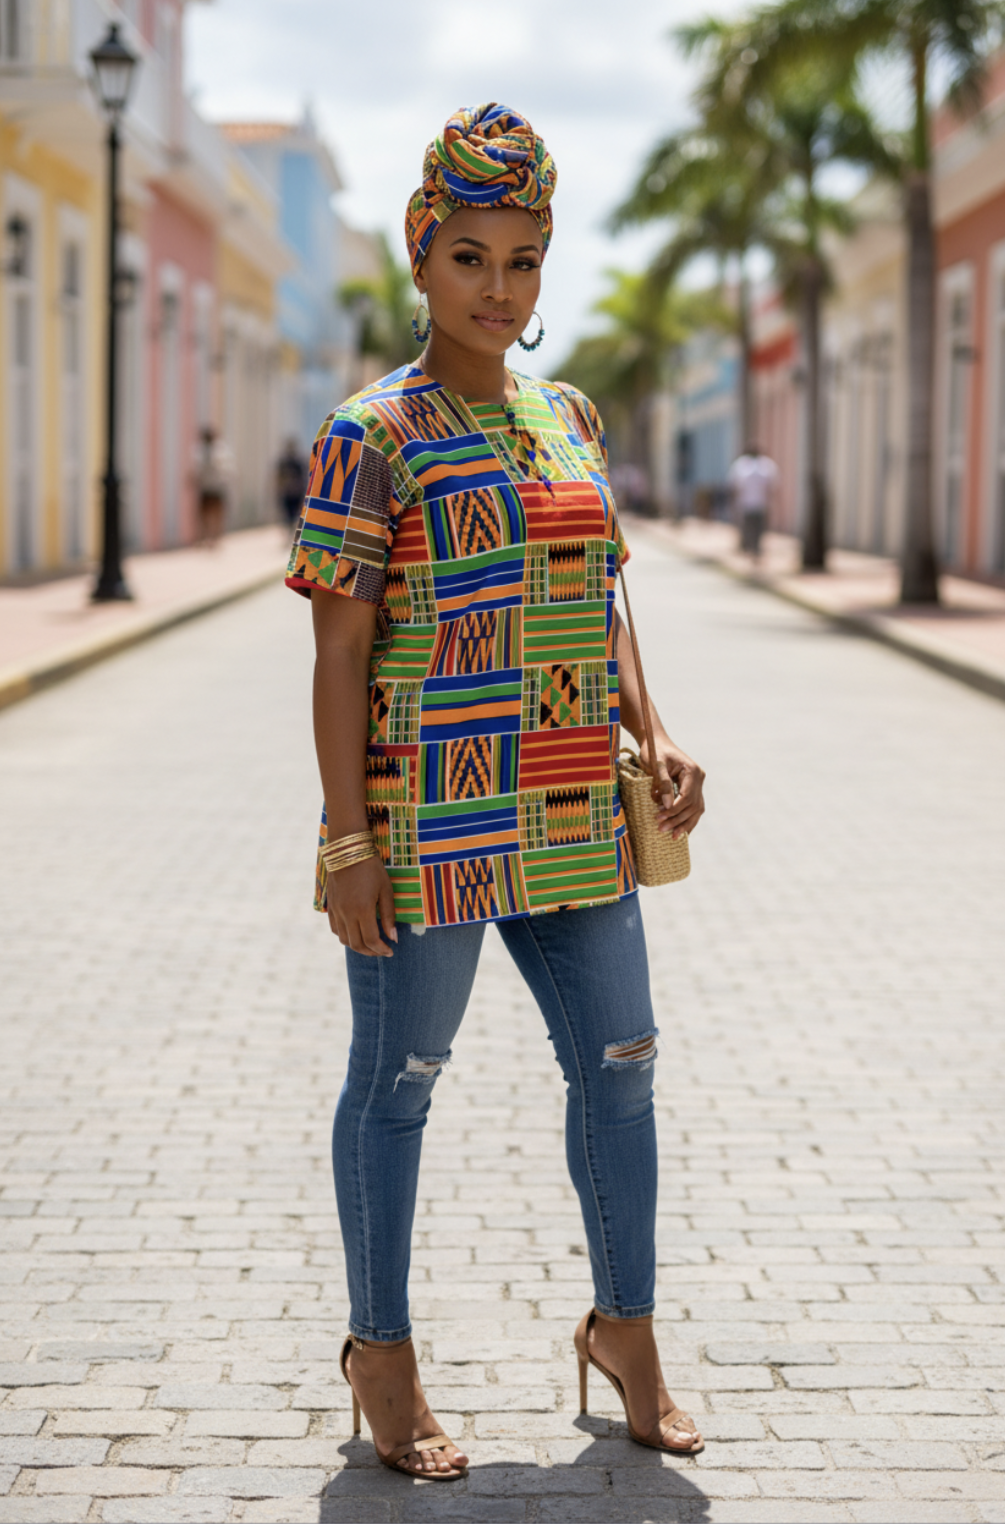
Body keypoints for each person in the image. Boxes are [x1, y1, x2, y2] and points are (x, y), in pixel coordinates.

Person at [286, 103, 707, 1481]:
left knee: (623, 1070)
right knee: (398, 1085)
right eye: (469, 257)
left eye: (522, 260)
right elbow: (339, 649)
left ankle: (624, 1332)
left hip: (576, 807)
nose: (498, 288)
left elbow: (606, 598)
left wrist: (654, 727)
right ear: (423, 261)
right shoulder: (369, 433)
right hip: (431, 823)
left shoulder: (566, 414)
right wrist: (347, 838)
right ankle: (381, 1357)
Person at [728, 441, 778, 559]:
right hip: (748, 504)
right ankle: (751, 550)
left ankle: (755, 551)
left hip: (758, 504)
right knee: (749, 529)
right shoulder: (742, 464)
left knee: (758, 529)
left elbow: (772, 486)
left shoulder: (765, 464)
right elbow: (734, 486)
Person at [193, 427, 230, 548]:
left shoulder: (220, 450)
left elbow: (226, 468)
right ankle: (205, 537)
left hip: (216, 487)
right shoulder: (199, 451)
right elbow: (196, 469)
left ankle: (215, 538)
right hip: (205, 487)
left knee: (216, 514)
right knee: (204, 515)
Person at [276, 436, 308, 533]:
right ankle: (289, 531)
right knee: (287, 514)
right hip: (287, 492)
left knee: (295, 514)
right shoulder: (283, 462)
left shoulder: (298, 462)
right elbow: (279, 476)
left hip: (296, 492)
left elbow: (303, 477)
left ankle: (292, 531)